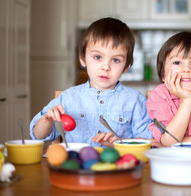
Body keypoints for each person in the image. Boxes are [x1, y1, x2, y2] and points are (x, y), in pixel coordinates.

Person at [30, 17, 153, 147]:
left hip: (119, 166)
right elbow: (37, 135)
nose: (106, 67)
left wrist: (117, 143)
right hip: (77, 166)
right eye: (97, 57)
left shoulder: (135, 101)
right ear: (83, 59)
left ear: (126, 67)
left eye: (116, 60)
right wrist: (47, 121)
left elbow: (148, 143)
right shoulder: (67, 98)